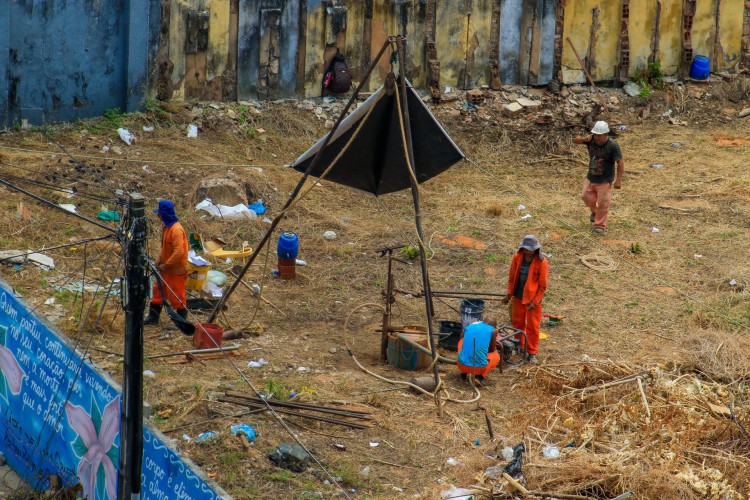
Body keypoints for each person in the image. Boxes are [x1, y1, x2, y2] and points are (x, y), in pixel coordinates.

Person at [501, 235, 548, 364]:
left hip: (532, 300)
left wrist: (535, 301)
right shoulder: (517, 257)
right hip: (518, 296)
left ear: (535, 249)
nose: (527, 251)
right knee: (518, 323)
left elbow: (543, 286)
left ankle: (532, 352)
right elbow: (512, 277)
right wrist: (509, 294)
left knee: (533, 326)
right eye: (525, 248)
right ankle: (519, 346)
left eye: (530, 249)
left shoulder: (541, 262)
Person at [573, 121, 624, 234]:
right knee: (585, 196)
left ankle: (599, 225)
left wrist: (618, 180)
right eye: (595, 135)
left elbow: (620, 163)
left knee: (603, 203)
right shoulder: (590, 140)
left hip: (605, 180)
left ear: (606, 134)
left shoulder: (612, 146)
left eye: (599, 135)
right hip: (591, 177)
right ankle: (595, 212)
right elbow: (575, 140)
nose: (596, 137)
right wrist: (584, 139)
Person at [144, 200, 189, 325]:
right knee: (158, 291)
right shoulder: (167, 227)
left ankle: (182, 322)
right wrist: (159, 261)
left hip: (175, 270)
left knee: (177, 296)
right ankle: (153, 317)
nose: (158, 216)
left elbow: (178, 252)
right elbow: (165, 249)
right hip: (166, 269)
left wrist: (166, 265)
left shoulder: (176, 230)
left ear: (163, 214)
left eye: (159, 213)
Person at [456, 316, 501, 386]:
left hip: (461, 364)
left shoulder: (470, 326)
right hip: (479, 368)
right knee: (496, 356)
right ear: (494, 326)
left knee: (462, 342)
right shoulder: (493, 330)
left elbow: (461, 338)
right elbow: (491, 350)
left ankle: (463, 375)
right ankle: (479, 377)